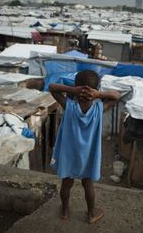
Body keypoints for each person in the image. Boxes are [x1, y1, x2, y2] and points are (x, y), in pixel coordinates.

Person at [49, 70, 121, 224]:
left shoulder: (68, 106)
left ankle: (65, 211)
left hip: (69, 154)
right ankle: (90, 214)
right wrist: (98, 95)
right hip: (88, 156)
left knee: (66, 183)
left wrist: (72, 90)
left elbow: (52, 87)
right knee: (87, 184)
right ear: (95, 89)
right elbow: (117, 96)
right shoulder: (98, 108)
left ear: (76, 86)